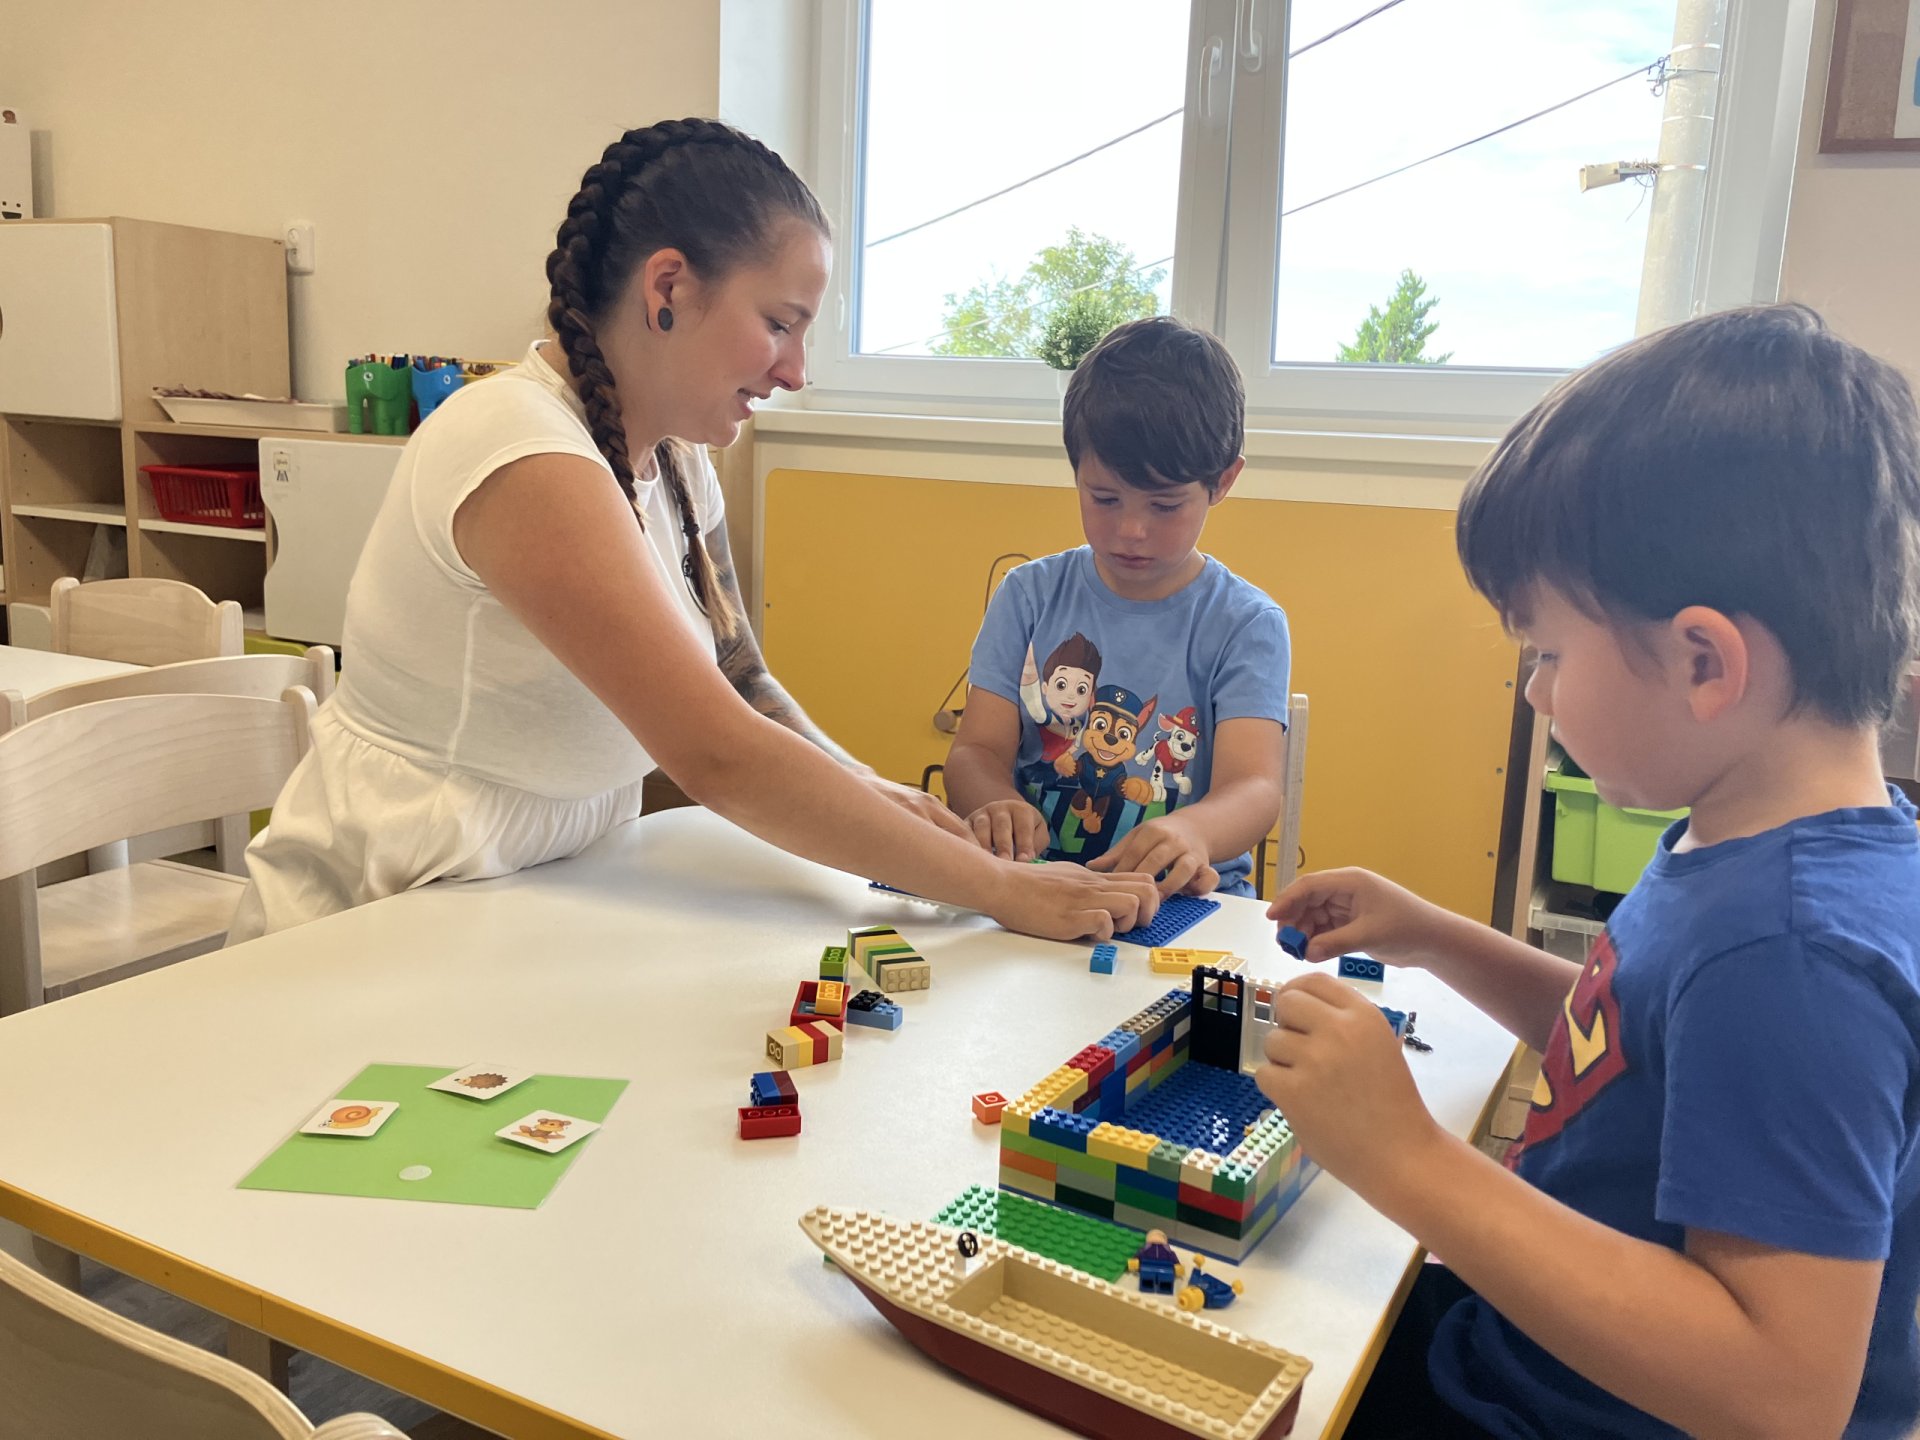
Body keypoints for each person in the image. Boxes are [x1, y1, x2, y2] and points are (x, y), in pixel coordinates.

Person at [229, 118, 1157, 946]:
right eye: (780, 324)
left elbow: (742, 679)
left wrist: (878, 793)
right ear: (668, 285)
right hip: (386, 908)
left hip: (540, 890)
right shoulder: (518, 447)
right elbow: (717, 752)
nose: (796, 371)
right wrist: (998, 890)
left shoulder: (675, 462)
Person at [1258, 305, 1920, 1439]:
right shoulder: (1760, 844)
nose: (1537, 692)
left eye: (1550, 653)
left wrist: (1408, 1157)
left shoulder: (1792, 953)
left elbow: (1783, 1394)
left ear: (1704, 662)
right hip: (1539, 1357)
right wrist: (1432, 935)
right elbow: (1642, 1053)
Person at [943, 317, 1291, 897]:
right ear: (1075, 469)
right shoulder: (1028, 595)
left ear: (1223, 481)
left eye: (1165, 506)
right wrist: (996, 803)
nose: (1131, 530)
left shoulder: (1246, 624)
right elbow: (975, 752)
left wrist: (1192, 830)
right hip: (1035, 887)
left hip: (1183, 898)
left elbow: (1254, 788)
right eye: (1104, 498)